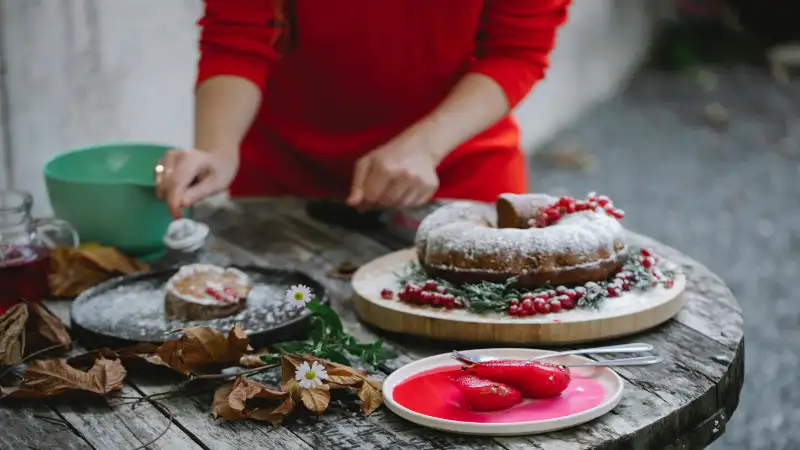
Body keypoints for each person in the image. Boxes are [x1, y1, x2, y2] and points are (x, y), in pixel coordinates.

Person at [155, 0, 571, 218]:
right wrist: (218, 149)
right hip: (282, 173)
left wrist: (426, 145)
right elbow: (237, 37)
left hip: (456, 167)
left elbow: (516, 51)